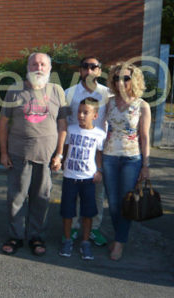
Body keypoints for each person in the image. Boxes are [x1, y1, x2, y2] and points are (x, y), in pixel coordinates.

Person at [0, 52, 68, 256]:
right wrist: (3, 153)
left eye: (43, 64)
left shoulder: (57, 91)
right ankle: (15, 236)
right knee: (16, 198)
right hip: (19, 154)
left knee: (41, 198)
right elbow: (3, 123)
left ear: (49, 68)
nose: (38, 67)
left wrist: (59, 154)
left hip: (46, 157)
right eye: (34, 64)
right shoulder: (15, 90)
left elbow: (63, 125)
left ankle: (36, 237)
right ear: (27, 67)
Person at [103, 62, 151, 261]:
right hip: (109, 157)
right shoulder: (109, 102)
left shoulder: (142, 105)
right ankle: (119, 237)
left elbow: (145, 137)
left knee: (125, 202)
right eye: (116, 78)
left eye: (125, 78)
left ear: (134, 80)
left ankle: (119, 242)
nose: (120, 81)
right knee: (113, 204)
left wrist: (146, 165)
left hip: (132, 159)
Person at [64, 57, 111, 246]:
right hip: (75, 150)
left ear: (99, 71)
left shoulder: (107, 94)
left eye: (94, 67)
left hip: (97, 150)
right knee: (73, 194)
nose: (89, 70)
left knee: (97, 194)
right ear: (80, 70)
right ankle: (74, 227)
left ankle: (94, 229)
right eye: (86, 67)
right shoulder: (70, 93)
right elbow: (64, 122)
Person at [55, 98, 106, 260]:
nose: (81, 115)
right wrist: (61, 160)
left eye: (86, 112)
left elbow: (99, 153)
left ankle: (85, 242)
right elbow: (66, 147)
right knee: (68, 212)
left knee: (88, 213)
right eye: (79, 112)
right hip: (70, 177)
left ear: (95, 116)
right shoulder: (71, 130)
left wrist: (99, 170)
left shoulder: (99, 134)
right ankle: (67, 240)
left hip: (88, 179)